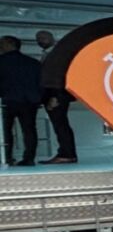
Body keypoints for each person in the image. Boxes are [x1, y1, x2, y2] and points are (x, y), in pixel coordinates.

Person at [0, 35, 41, 167]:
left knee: (6, 131)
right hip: (29, 101)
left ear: (9, 44)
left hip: (7, 100)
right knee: (29, 130)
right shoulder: (33, 62)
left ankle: (6, 157)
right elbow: (41, 83)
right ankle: (29, 159)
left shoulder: (1, 61)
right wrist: (39, 99)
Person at [35, 31, 75, 164]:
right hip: (54, 95)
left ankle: (66, 154)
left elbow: (57, 76)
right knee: (60, 124)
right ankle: (66, 153)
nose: (40, 40)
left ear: (52, 38)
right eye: (38, 39)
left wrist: (54, 96)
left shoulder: (57, 53)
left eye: (43, 37)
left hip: (57, 95)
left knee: (60, 125)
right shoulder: (48, 53)